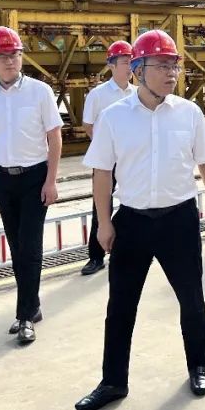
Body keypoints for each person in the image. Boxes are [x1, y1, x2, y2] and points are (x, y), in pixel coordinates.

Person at [74, 29, 205, 410]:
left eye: (174, 65)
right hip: (132, 222)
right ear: (138, 70)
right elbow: (102, 173)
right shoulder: (114, 117)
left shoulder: (189, 114)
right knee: (120, 306)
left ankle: (199, 366)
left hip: (178, 220)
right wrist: (104, 223)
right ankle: (113, 381)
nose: (171, 72)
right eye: (162, 65)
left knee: (191, 299)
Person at [0, 26, 63, 344]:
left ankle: (24, 317)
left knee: (30, 248)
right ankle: (32, 307)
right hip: (4, 181)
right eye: (2, 56)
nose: (9, 61)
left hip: (35, 177)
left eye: (14, 54)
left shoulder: (40, 92)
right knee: (16, 248)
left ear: (21, 56)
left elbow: (54, 138)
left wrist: (51, 180)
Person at [79, 40, 136, 276]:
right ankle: (96, 256)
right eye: (125, 62)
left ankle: (130, 250)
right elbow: (88, 125)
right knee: (101, 206)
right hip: (106, 162)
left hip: (131, 159)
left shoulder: (137, 93)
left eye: (132, 62)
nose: (130, 67)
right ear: (111, 65)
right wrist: (106, 148)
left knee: (133, 203)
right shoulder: (98, 95)